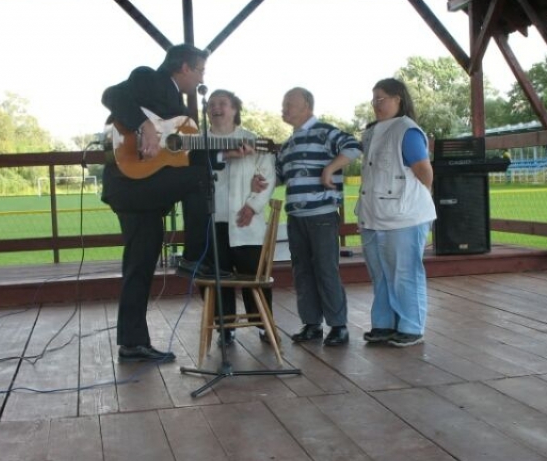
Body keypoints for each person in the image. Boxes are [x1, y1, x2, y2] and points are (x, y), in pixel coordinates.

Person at [101, 44, 222, 362]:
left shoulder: (180, 108)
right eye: (200, 71)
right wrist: (144, 126)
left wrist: (225, 151)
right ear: (184, 67)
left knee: (140, 264)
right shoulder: (149, 78)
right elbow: (111, 95)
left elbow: (185, 152)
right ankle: (194, 257)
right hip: (129, 181)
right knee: (200, 179)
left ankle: (132, 342)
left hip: (142, 189)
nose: (201, 78)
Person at [274, 87, 361, 347]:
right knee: (302, 271)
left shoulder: (324, 131)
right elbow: (278, 175)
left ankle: (338, 326)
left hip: (322, 213)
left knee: (325, 269)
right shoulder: (288, 144)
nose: (284, 108)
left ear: (307, 106)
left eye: (290, 103)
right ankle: (311, 324)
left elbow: (354, 146)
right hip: (296, 216)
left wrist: (331, 168)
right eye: (283, 103)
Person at [356, 78, 436, 348]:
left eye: (381, 98)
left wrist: (416, 199)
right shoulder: (371, 132)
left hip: (404, 216)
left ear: (397, 99)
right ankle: (384, 324)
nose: (375, 104)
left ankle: (411, 326)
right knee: (380, 273)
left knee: (405, 273)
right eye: (373, 98)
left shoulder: (407, 130)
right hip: (373, 215)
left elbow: (425, 172)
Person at [205, 89, 277, 346]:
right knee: (217, 278)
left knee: (253, 277)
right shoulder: (200, 143)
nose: (216, 108)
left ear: (235, 109)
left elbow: (267, 177)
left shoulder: (252, 140)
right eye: (212, 104)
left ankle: (262, 325)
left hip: (246, 222)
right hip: (211, 223)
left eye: (222, 103)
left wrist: (252, 206)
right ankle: (225, 328)